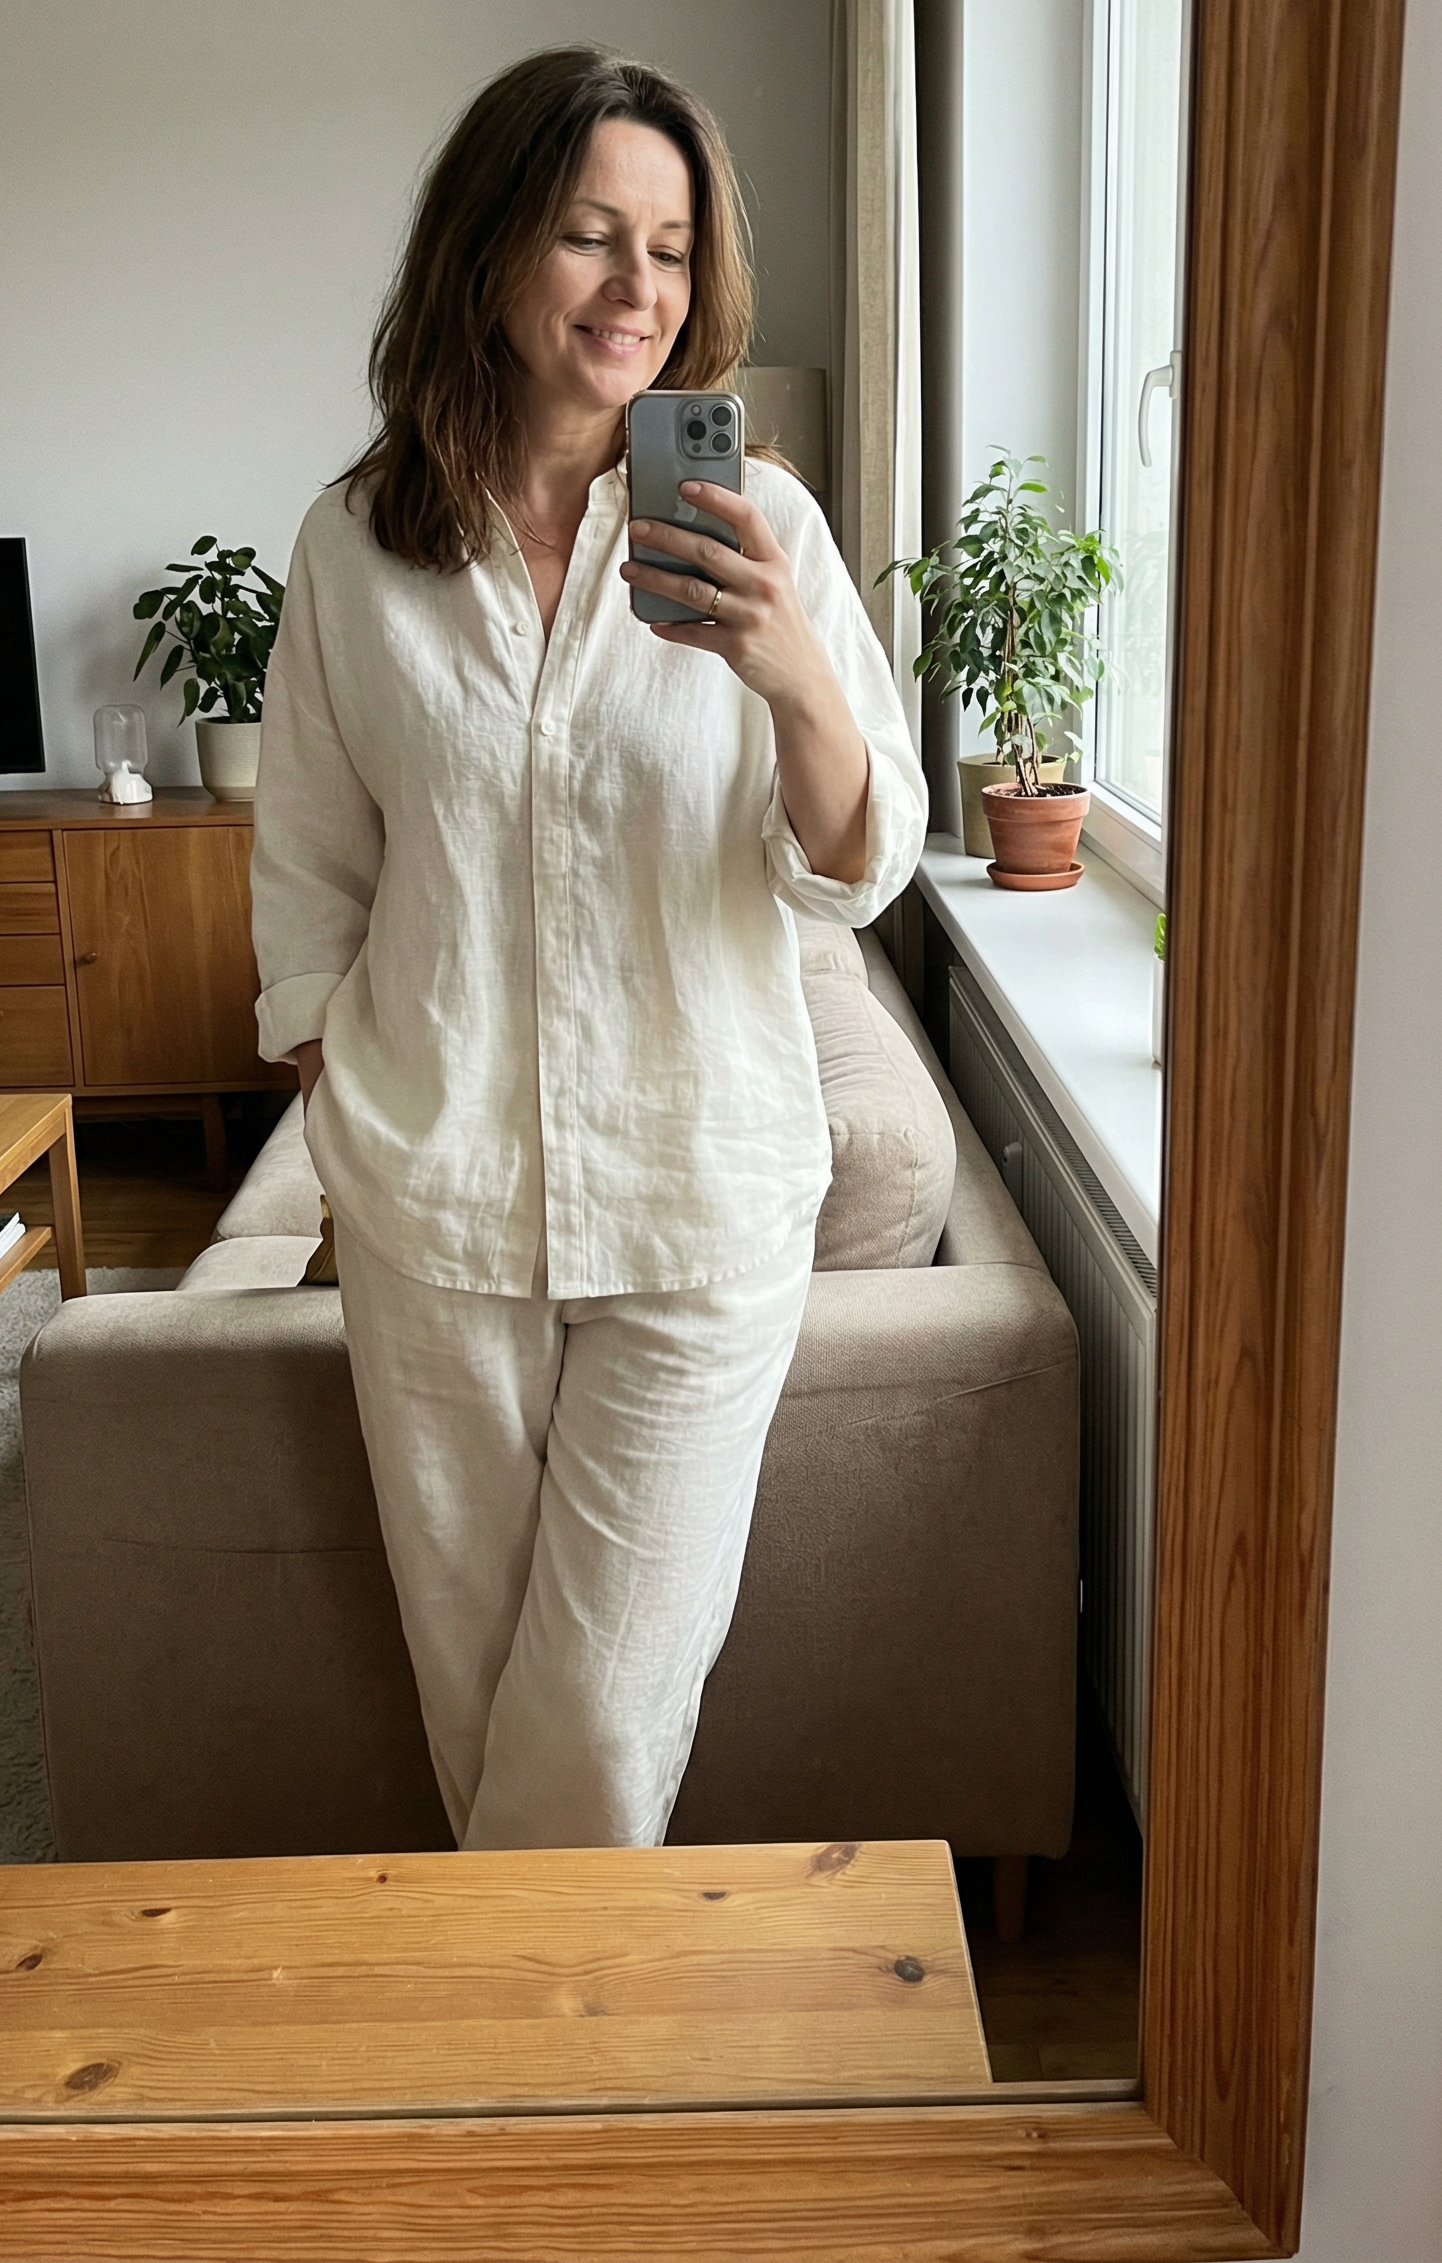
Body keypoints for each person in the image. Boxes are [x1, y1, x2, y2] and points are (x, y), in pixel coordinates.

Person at [250, 45, 926, 1851]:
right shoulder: (354, 547)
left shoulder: (762, 528)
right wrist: (337, 1085)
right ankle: (545, 2033)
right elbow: (309, 867)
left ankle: (516, 2028)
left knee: (600, 1734)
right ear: (485, 250)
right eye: (588, 235)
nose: (639, 288)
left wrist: (790, 673)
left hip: (698, 1205)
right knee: (473, 1700)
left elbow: (859, 864)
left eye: (673, 249)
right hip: (436, 1217)